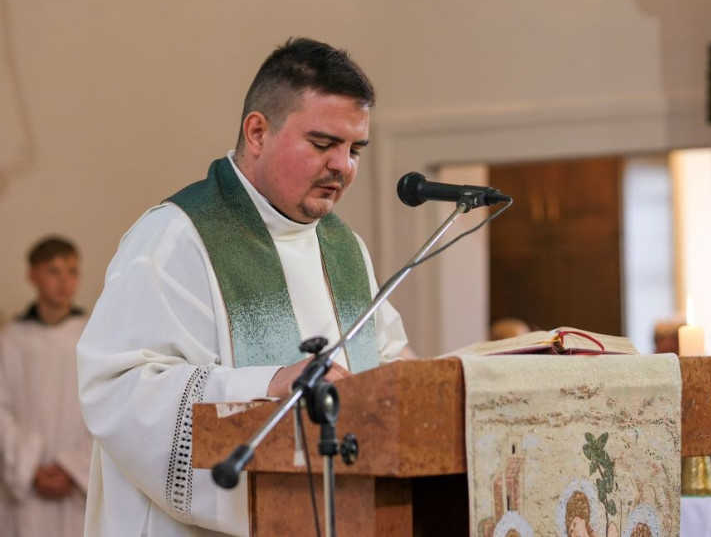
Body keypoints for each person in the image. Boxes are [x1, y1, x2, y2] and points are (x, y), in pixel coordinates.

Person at [77, 38, 408, 536]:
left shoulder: (344, 249)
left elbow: (385, 362)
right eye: (323, 144)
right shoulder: (177, 237)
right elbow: (117, 390)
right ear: (257, 132)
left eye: (354, 149)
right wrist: (268, 383)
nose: (343, 166)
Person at [0, 236, 92, 536]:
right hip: (28, 486)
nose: (65, 281)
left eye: (72, 271)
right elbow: (2, 409)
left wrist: (75, 467)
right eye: (53, 271)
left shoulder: (91, 338)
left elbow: (107, 408)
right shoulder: (11, 340)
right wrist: (28, 467)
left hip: (77, 488)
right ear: (32, 275)